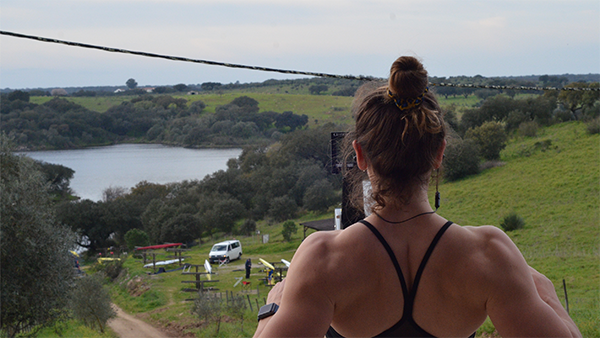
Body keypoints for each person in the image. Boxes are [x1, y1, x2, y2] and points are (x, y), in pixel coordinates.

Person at [252, 56, 582, 338]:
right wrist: (545, 290)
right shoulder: (490, 254)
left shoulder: (321, 259)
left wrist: (273, 305)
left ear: (360, 155)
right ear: (439, 153)